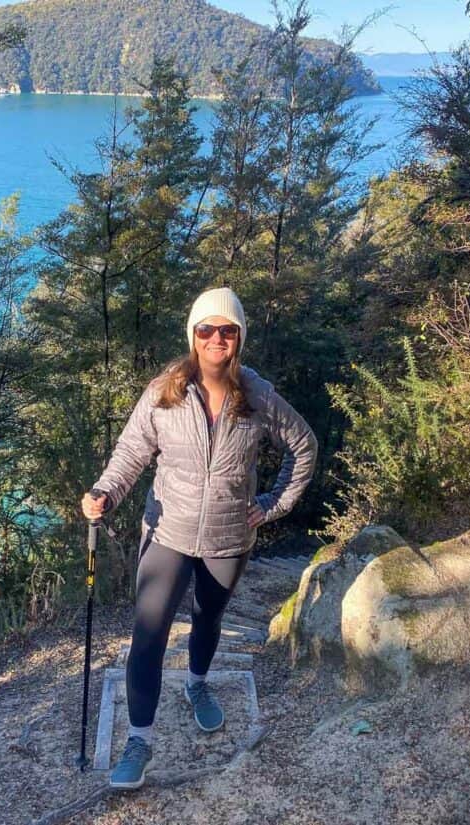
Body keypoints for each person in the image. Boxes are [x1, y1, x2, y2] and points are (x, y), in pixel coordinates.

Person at [80, 286, 317, 790]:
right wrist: (105, 491)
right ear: (192, 335)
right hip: (168, 531)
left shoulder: (257, 398)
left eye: (227, 331)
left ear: (239, 339)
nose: (216, 338)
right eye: (206, 329)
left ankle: (197, 684)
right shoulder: (164, 391)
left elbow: (304, 446)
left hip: (229, 536)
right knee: (148, 634)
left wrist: (274, 504)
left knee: (209, 618)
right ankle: (140, 739)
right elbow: (130, 453)